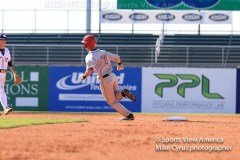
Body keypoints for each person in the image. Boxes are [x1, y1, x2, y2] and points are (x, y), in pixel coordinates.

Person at [80, 35, 136, 121]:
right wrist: (119, 65)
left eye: (85, 44)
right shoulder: (103, 52)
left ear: (87, 45)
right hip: (113, 76)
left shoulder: (89, 57)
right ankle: (123, 93)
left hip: (105, 79)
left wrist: (83, 76)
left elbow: (89, 70)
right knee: (117, 96)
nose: (84, 45)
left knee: (112, 102)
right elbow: (117, 57)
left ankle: (129, 115)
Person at [0, 34, 22, 115]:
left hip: (3, 74)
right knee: (1, 90)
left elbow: (9, 63)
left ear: (5, 42)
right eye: (0, 40)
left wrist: (14, 74)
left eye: (3, 40)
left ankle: (6, 108)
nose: (1, 41)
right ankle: (6, 108)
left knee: (1, 89)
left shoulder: (7, 50)